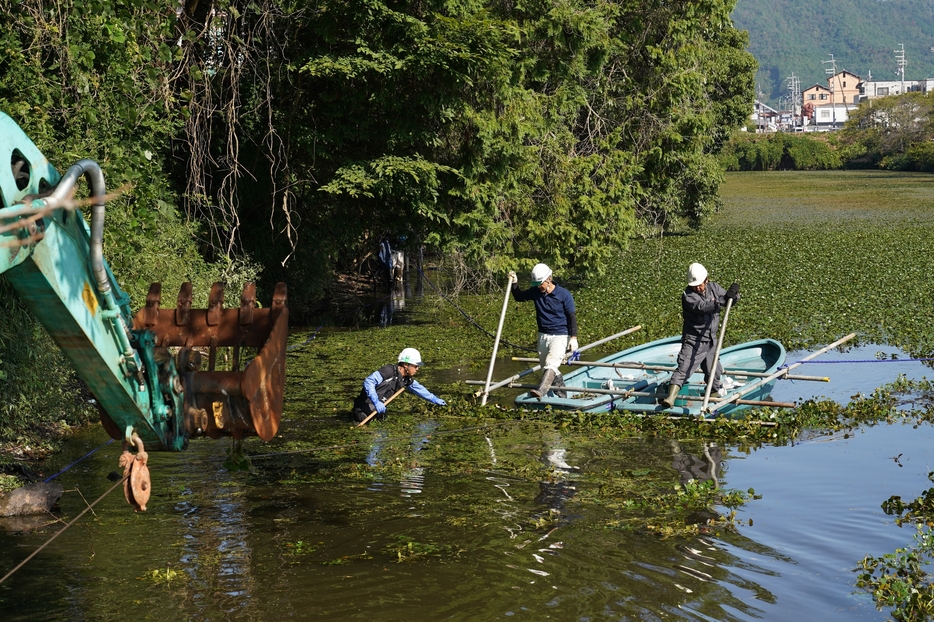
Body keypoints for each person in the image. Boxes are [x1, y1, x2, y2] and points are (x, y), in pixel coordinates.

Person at [661, 263, 740, 408]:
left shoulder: (714, 288)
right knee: (684, 367)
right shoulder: (688, 296)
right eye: (694, 285)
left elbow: (729, 299)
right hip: (693, 340)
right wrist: (721, 301)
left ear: (706, 280)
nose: (697, 287)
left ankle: (713, 397)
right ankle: (670, 399)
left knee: (714, 371)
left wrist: (733, 295)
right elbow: (702, 307)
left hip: (710, 340)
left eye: (700, 284)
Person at [508, 263, 578, 399]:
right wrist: (514, 283)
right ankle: (562, 395)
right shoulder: (535, 292)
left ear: (549, 279)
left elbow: (571, 316)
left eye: (541, 284)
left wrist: (573, 337)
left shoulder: (564, 294)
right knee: (548, 367)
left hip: (560, 335)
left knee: (551, 364)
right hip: (543, 335)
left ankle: (541, 391)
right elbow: (519, 297)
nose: (539, 287)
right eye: (537, 284)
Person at [352, 348, 446, 422]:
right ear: (406, 365)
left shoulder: (405, 379)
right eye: (415, 366)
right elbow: (369, 382)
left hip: (379, 410)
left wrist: (434, 399)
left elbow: (418, 389)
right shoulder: (388, 371)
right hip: (364, 408)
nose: (417, 369)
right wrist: (376, 401)